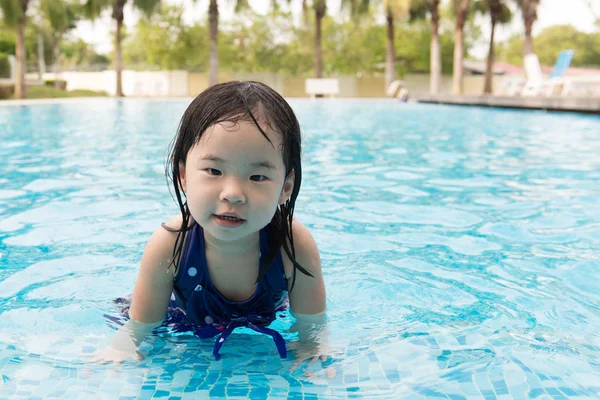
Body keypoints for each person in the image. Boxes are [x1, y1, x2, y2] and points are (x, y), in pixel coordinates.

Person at [86, 81, 331, 372]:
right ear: (183, 176)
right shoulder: (170, 244)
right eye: (214, 171)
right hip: (179, 319)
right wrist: (123, 346)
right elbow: (140, 327)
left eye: (257, 177)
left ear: (286, 187)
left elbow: (312, 328)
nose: (233, 193)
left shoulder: (294, 245)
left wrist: (314, 350)